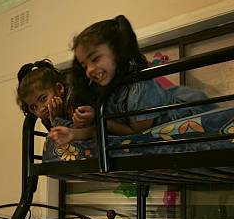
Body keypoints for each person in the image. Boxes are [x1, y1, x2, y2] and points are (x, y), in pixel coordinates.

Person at [50, 15, 215, 143]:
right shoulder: (107, 91)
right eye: (84, 65)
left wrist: (95, 120)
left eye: (95, 59)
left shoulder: (139, 86)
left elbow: (135, 133)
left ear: (118, 51)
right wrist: (75, 131)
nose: (89, 70)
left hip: (193, 112)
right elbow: (103, 129)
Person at [16, 59, 97, 161]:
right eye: (34, 107)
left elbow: (89, 132)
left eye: (43, 98)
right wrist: (55, 120)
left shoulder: (76, 97)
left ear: (59, 88)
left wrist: (58, 120)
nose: (41, 108)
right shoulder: (47, 116)